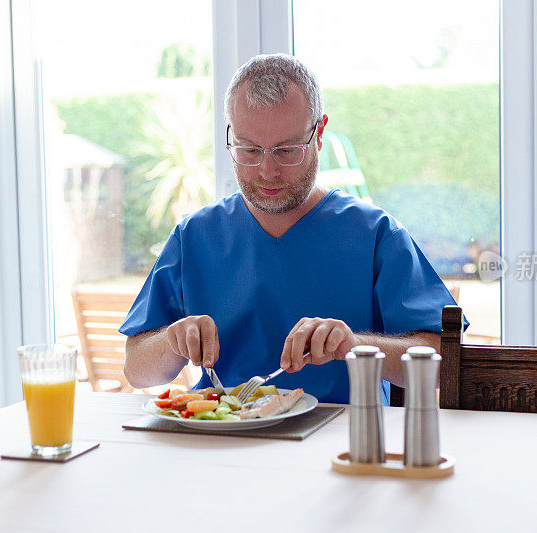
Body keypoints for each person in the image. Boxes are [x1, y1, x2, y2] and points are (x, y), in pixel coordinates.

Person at [120, 53, 465, 404]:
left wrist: (355, 345)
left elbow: (443, 361)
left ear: (319, 133)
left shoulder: (375, 235)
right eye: (249, 149)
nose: (267, 171)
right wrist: (171, 342)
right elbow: (136, 370)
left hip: (343, 441)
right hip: (222, 437)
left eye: (286, 150)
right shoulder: (195, 236)